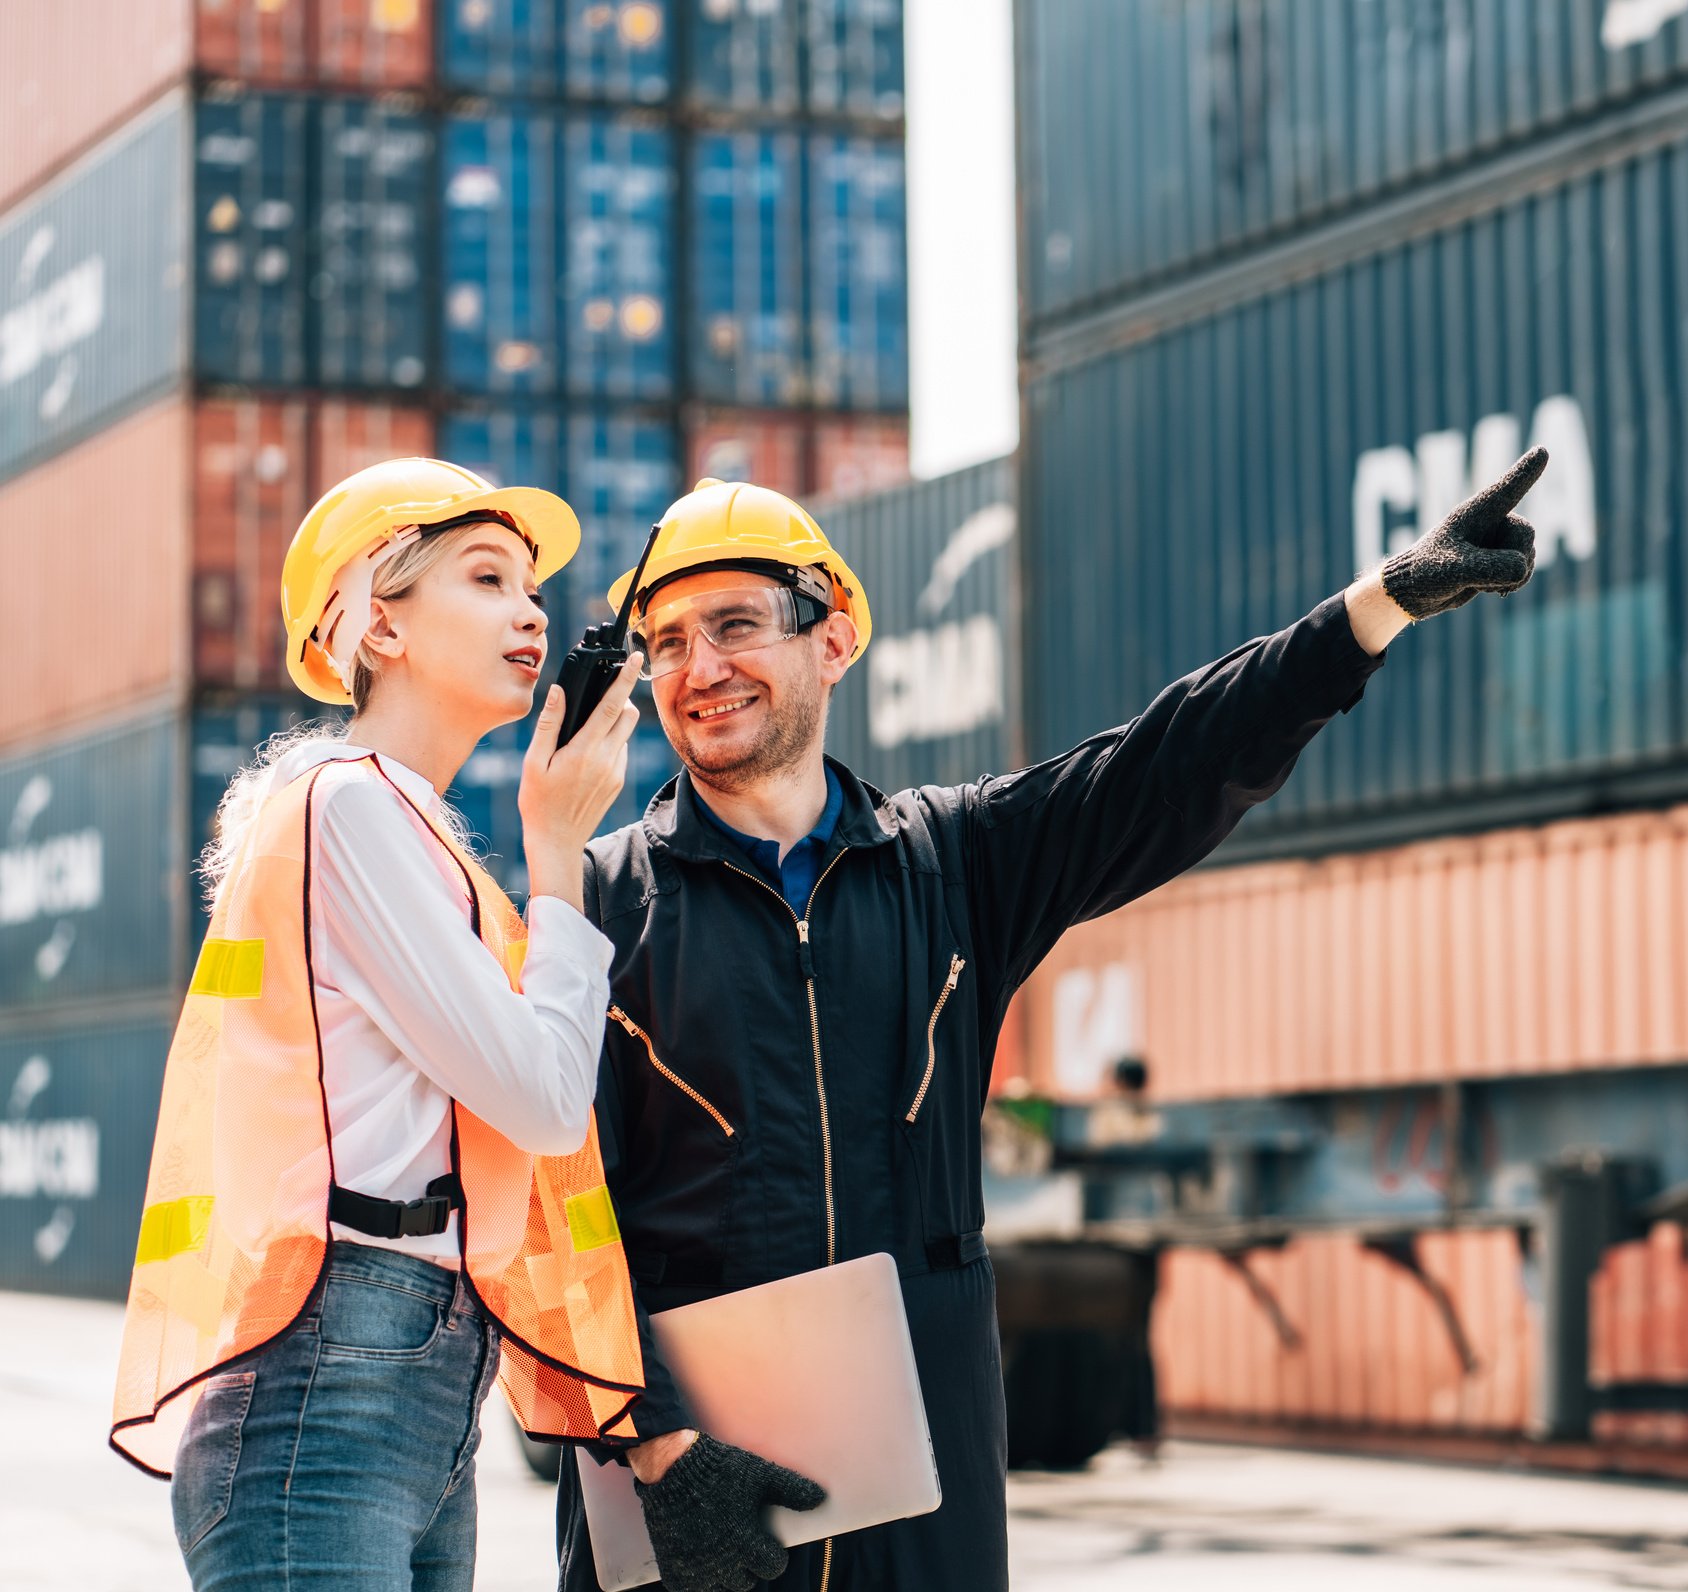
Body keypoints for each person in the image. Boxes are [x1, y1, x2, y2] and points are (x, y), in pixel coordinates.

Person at [558, 451, 1548, 1591]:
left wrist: (1371, 611)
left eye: (733, 623)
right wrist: (661, 1443)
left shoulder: (952, 864)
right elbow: (556, 1218)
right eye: (668, 639)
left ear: (833, 637)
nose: (699, 666)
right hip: (688, 1509)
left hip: (916, 1505)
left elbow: (1161, 765)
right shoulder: (594, 907)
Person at [110, 457, 651, 1592]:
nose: (532, 609)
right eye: (486, 575)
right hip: (335, 1365)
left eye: (532, 587)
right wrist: (559, 854)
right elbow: (547, 1101)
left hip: (411, 1364)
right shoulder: (349, 802)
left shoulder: (409, 828)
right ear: (380, 623)